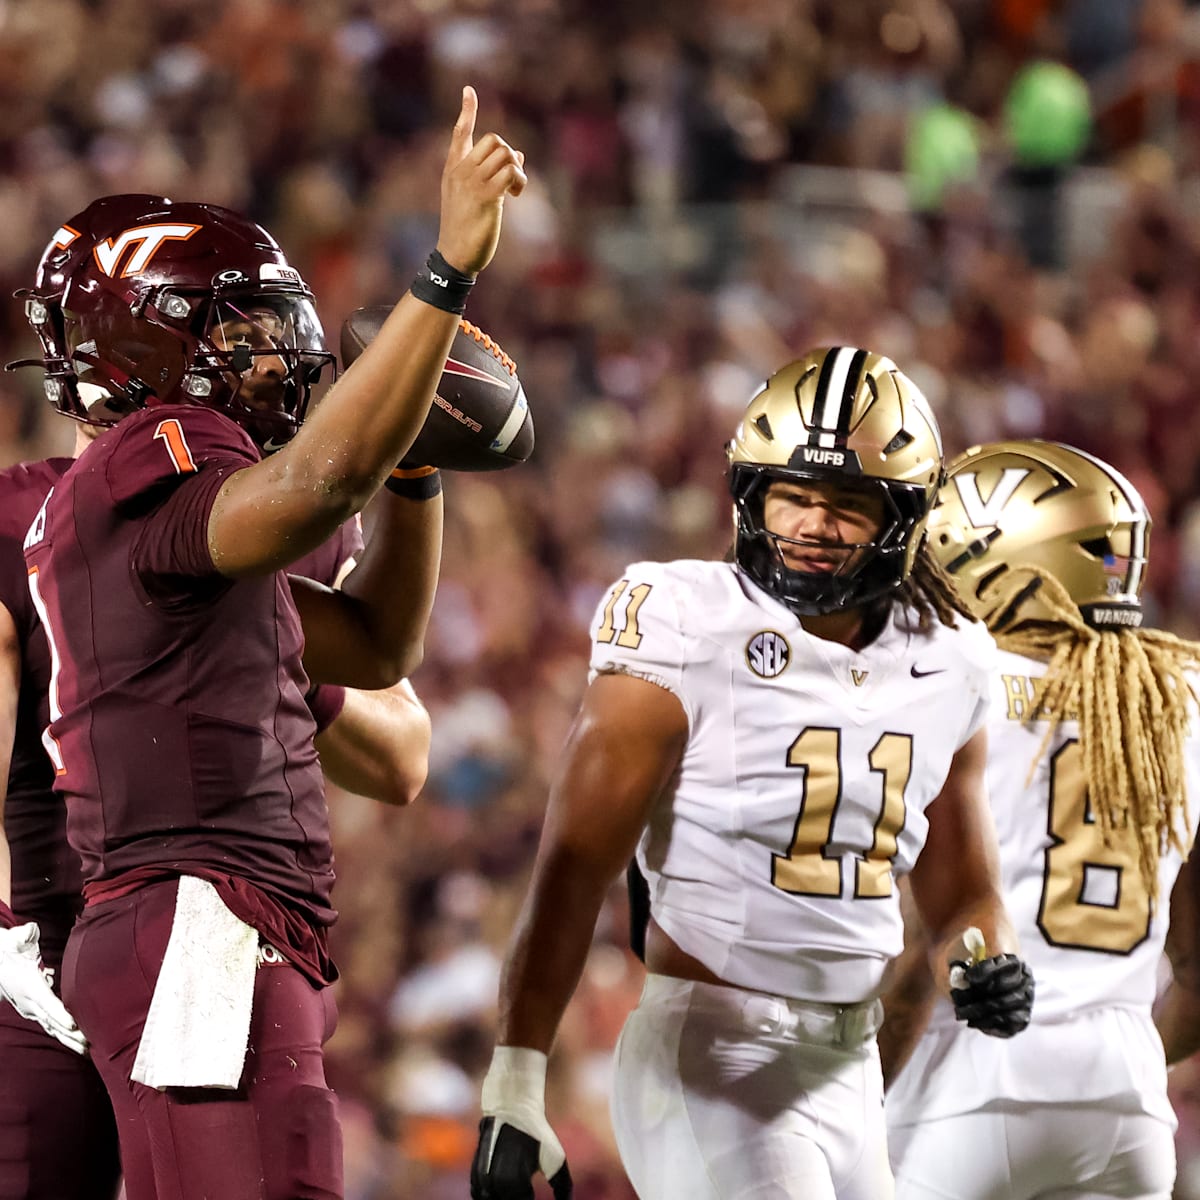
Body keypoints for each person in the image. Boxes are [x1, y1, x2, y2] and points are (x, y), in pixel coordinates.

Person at [18, 86, 525, 1200]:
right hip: (194, 912)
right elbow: (313, 482)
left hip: (194, 920)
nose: (278, 355)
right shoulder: (151, 452)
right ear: (152, 338)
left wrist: (416, 467)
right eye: (239, 329)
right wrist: (442, 274)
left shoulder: (158, 540)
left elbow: (379, 645)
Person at [469, 347, 1034, 1200]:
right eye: (792, 495)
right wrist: (514, 1079)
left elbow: (963, 898)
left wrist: (987, 959)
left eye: (845, 504)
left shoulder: (950, 660)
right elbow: (575, 863)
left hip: (849, 1062)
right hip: (714, 1049)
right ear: (749, 494)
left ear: (904, 517)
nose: (811, 524)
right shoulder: (686, 622)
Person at [882, 440, 1200, 1200]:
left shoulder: (952, 683)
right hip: (1126, 1108)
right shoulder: (1179, 698)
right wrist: (1101, 1078)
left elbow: (919, 946)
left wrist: (855, 1105)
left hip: (965, 1095)